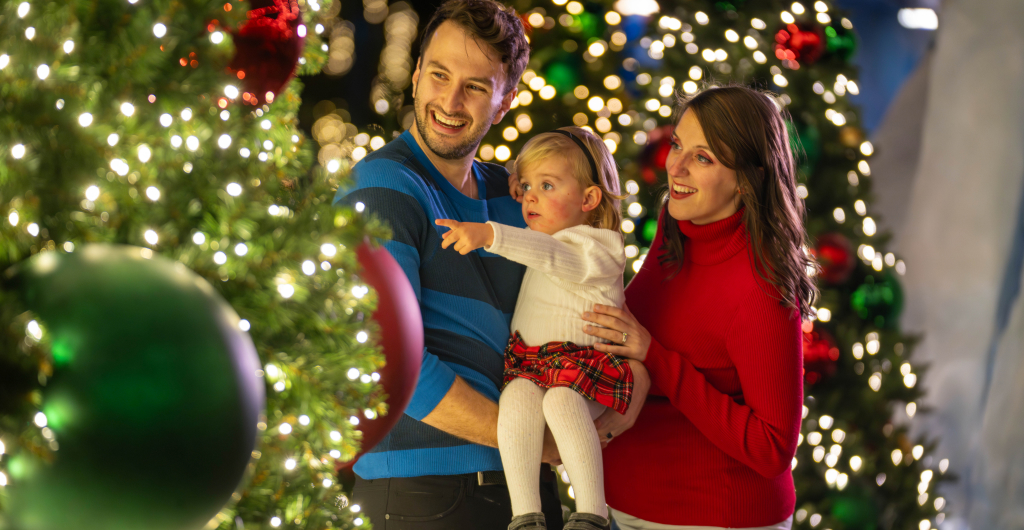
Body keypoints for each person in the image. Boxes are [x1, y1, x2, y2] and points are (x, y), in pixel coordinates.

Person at [332, 1, 565, 528]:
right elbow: (389, 363)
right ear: (416, 76)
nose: (451, 101)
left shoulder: (516, 198)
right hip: (424, 495)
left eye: (476, 86)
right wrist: (537, 441)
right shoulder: (381, 188)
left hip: (527, 487)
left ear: (504, 103)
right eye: (439, 75)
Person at [580, 86, 817, 529]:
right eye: (678, 144)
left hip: (712, 515)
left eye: (703, 158)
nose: (676, 166)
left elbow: (772, 449)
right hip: (624, 501)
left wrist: (656, 356)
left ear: (748, 178)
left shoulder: (761, 287)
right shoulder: (676, 224)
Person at [435, 127, 652, 530]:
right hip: (533, 367)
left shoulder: (598, 248)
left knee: (561, 402)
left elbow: (551, 255)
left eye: (547, 186)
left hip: (584, 371)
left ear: (589, 199)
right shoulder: (544, 235)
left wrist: (491, 234)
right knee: (515, 399)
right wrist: (522, 180)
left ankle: (593, 514)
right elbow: (540, 241)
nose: (531, 197)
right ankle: (525, 516)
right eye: (527, 187)